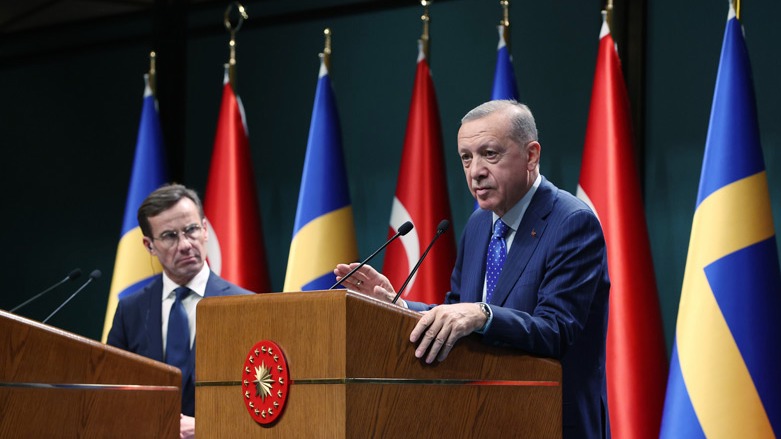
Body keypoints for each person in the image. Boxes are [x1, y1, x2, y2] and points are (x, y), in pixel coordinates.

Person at [335, 100, 610, 438]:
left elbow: (554, 330)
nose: (475, 170)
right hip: (477, 419)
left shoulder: (571, 223)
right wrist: (400, 307)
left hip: (548, 423)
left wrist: (483, 315)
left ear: (531, 155)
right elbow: (456, 312)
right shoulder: (480, 224)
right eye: (466, 157)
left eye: (490, 154)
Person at [107, 183, 253, 438]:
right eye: (170, 236)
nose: (185, 244)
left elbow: (263, 396)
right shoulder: (130, 311)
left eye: (191, 230)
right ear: (149, 245)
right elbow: (112, 392)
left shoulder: (246, 307)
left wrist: (207, 426)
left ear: (205, 229)